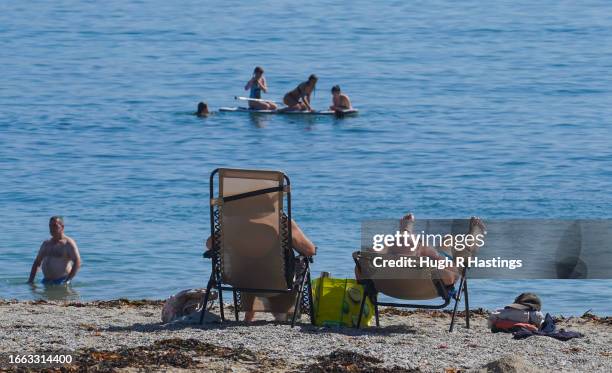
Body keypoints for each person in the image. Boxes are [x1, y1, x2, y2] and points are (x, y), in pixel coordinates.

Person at [205, 219, 316, 321]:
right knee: (296, 264)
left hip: (242, 281)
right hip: (277, 280)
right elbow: (309, 250)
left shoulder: (234, 221)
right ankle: (281, 312)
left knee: (248, 263)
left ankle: (249, 313)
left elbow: (210, 244)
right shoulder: (281, 220)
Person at [356, 213, 486, 286]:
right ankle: (472, 240)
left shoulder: (367, 268)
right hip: (436, 277)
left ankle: (406, 234)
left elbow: (360, 274)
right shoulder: (440, 271)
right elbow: (453, 272)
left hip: (389, 279)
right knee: (457, 250)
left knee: (446, 240)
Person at [28, 216, 82, 285]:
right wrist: (30, 281)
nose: (51, 228)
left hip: (61, 282)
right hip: (46, 281)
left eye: (54, 226)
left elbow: (77, 262)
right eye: (50, 226)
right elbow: (37, 263)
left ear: (62, 227)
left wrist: (68, 280)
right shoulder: (46, 244)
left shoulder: (68, 243)